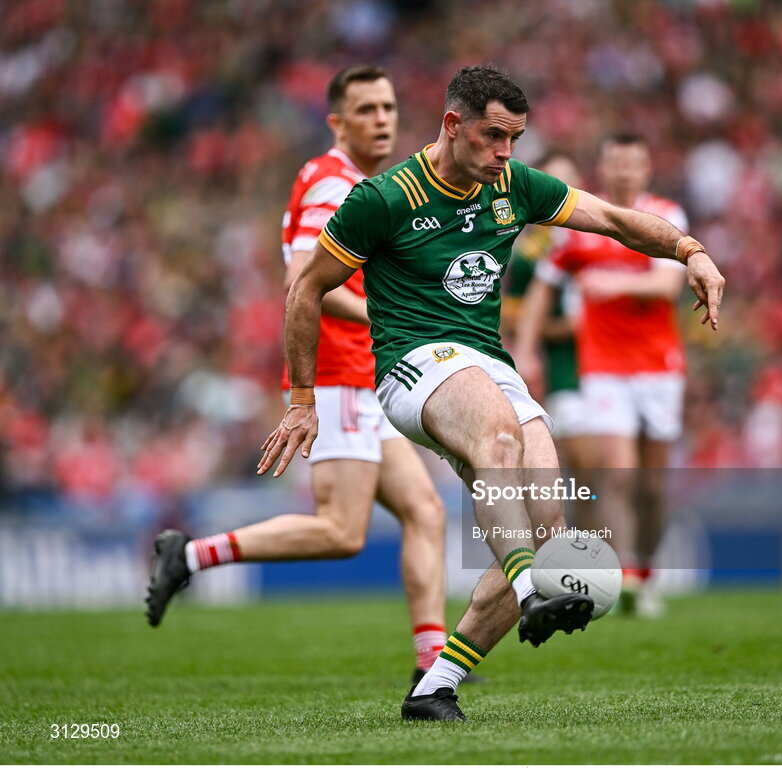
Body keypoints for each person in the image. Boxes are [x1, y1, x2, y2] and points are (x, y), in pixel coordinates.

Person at [258, 65, 725, 722]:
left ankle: (436, 685)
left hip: (488, 363)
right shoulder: (384, 199)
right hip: (411, 364)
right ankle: (532, 586)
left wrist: (689, 250)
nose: (505, 153)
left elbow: (615, 219)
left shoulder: (513, 185)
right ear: (453, 125)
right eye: (493, 137)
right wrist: (302, 398)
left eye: (515, 139)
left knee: (547, 525)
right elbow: (305, 288)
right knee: (500, 444)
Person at [146, 66, 454, 683]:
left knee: (425, 509)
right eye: (366, 109)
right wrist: (386, 314)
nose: (383, 119)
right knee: (342, 532)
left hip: (368, 374)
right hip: (340, 374)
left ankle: (435, 661)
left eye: (389, 107)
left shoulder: (357, 182)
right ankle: (193, 553)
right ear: (337, 121)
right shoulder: (330, 183)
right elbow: (303, 282)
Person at [514, 134, 690, 617]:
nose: (624, 172)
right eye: (615, 163)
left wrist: (616, 282)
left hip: (659, 366)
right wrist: (527, 349)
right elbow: (542, 289)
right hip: (603, 367)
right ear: (604, 167)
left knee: (652, 485)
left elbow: (668, 282)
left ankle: (648, 571)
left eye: (633, 163)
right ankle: (626, 574)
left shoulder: (666, 217)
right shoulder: (582, 226)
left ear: (647, 167)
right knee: (618, 474)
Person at [501, 152, 591, 471]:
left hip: (611, 364)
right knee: (580, 465)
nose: (562, 188)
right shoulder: (530, 251)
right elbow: (510, 318)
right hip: (561, 368)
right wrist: (564, 328)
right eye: (554, 181)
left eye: (568, 180)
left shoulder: (596, 238)